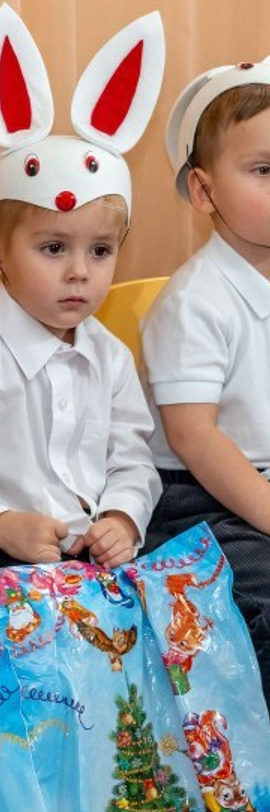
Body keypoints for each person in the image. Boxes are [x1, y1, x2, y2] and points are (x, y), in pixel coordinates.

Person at [0, 4, 164, 597]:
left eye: (100, 251)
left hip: (88, 564)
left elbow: (133, 460)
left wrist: (121, 516)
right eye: (52, 248)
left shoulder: (112, 358)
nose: (79, 273)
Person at [140, 56, 270, 706]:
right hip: (199, 500)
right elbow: (196, 438)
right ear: (203, 191)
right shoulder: (196, 302)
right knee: (262, 593)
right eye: (264, 170)